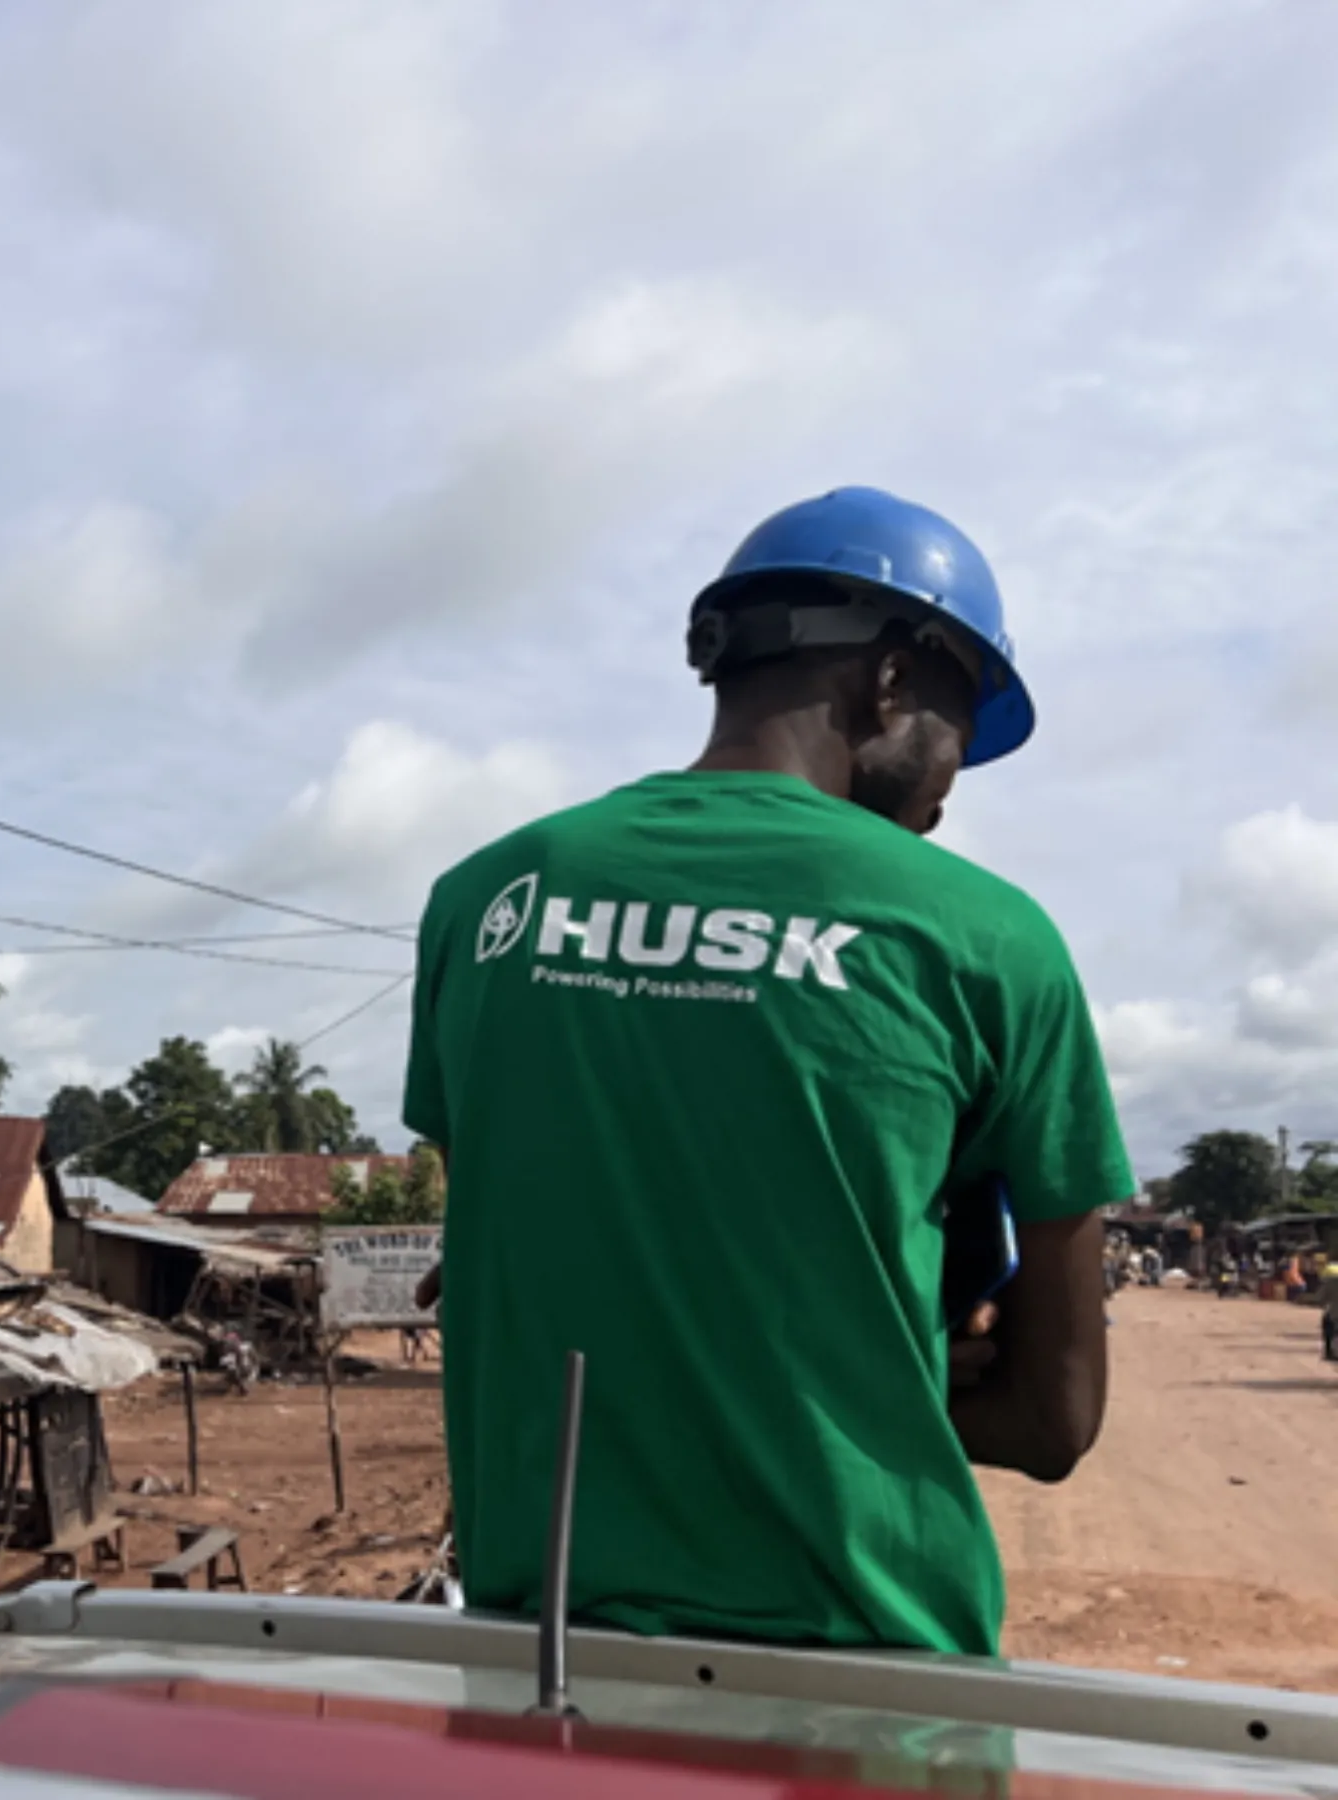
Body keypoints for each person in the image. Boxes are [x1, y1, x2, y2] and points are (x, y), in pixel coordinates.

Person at [405, 487, 1129, 1659]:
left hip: (538, 1666)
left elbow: (520, 1232)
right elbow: (1057, 1419)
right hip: (869, 1678)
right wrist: (885, 1362)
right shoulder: (988, 936)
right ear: (892, 680)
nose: (947, 794)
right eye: (959, 732)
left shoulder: (486, 898)